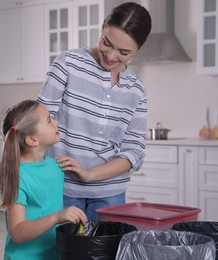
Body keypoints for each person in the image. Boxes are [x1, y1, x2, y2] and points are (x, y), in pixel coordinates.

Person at [37, 2, 152, 221]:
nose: (110, 55)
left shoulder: (136, 89)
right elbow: (37, 121)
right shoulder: (69, 63)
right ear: (102, 28)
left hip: (110, 195)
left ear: (139, 48)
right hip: (61, 188)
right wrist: (13, 165)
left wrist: (90, 175)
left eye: (124, 52)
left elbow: (133, 150)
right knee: (61, 253)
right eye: (106, 43)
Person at [0, 100, 88, 260]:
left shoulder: (56, 166)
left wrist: (81, 172)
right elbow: (17, 232)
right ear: (32, 140)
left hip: (52, 254)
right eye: (49, 120)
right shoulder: (19, 176)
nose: (56, 122)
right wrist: (56, 217)